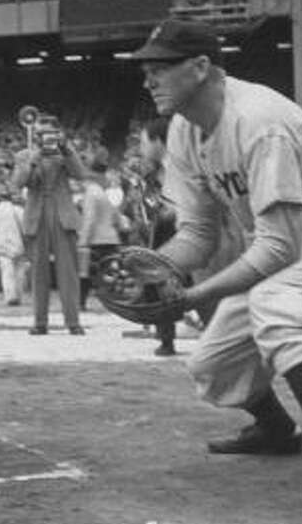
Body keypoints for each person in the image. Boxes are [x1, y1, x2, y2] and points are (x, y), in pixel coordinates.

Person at [128, 19, 302, 524]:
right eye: (146, 68)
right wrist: (155, 267)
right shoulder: (186, 130)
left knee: (278, 305)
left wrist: (191, 295)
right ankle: (277, 429)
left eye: (160, 66)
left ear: (201, 66)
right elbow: (199, 235)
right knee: (212, 363)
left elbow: (279, 247)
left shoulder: (257, 119)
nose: (149, 78)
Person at [13, 115, 88, 335]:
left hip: (62, 213)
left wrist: (66, 149)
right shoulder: (25, 155)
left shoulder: (65, 153)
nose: (43, 138)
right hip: (36, 213)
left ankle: (73, 321)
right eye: (39, 133)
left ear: (57, 134)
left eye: (48, 133)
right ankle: (39, 322)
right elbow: (18, 182)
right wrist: (34, 158)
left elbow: (81, 174)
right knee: (38, 272)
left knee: (68, 271)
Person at [127, 117, 180, 355]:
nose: (141, 148)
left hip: (184, 237)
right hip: (161, 235)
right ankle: (166, 336)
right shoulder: (151, 174)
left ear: (159, 141)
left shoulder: (180, 168)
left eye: (144, 142)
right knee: (159, 285)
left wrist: (168, 211)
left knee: (174, 284)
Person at [77, 149, 123, 323]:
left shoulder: (91, 193)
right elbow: (115, 217)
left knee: (85, 273)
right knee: (109, 272)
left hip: (96, 239)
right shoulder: (103, 194)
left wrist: (83, 241)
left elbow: (89, 219)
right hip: (110, 237)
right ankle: (113, 301)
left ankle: (80, 303)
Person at [0, 191, 27, 306]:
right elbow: (26, 229)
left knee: (7, 272)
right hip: (19, 244)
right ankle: (19, 296)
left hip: (3, 245)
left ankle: (10, 296)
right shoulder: (19, 211)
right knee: (19, 272)